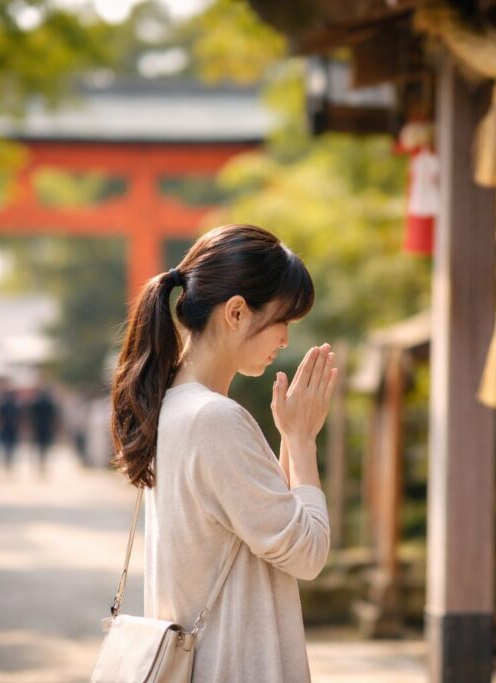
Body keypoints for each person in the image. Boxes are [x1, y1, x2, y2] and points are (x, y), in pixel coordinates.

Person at [109, 224, 337, 683]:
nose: (286, 341)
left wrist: (290, 433)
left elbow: (265, 529)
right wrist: (302, 440)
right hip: (233, 665)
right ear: (236, 312)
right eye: (282, 322)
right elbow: (307, 553)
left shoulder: (171, 403)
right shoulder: (215, 419)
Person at [27, 385, 58, 476]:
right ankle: (43, 463)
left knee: (38, 447)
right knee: (44, 447)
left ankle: (40, 464)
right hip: (46, 428)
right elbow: (53, 417)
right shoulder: (49, 402)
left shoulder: (35, 402)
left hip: (37, 428)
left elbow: (30, 416)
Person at [0, 387, 20, 472]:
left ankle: (6, 461)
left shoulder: (3, 404)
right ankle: (8, 461)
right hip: (12, 428)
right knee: (10, 446)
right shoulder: (15, 405)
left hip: (6, 428)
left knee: (6, 446)